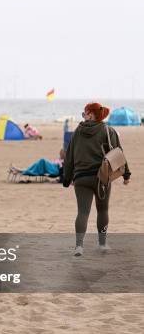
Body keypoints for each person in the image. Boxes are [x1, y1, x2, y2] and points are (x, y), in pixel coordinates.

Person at [63, 102, 131, 256]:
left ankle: (79, 246)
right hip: (102, 177)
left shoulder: (77, 132)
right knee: (103, 209)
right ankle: (102, 244)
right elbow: (119, 154)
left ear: (90, 114)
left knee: (82, 212)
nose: (83, 116)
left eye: (84, 113)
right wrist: (126, 174)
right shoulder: (108, 130)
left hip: (81, 178)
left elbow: (69, 157)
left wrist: (67, 178)